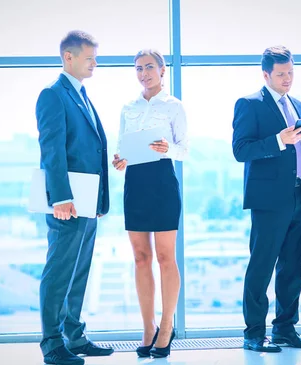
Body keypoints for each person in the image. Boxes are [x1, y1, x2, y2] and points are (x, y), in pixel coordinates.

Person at [232, 45, 301, 353]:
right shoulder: (249, 104)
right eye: (281, 74)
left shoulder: (299, 105)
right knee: (262, 265)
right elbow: (240, 150)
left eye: (291, 72)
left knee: (292, 267)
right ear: (266, 74)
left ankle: (284, 329)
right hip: (268, 199)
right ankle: (254, 333)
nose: (287, 79)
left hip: (299, 196)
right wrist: (278, 141)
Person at [36, 30, 113, 365]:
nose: (95, 63)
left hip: (86, 201)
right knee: (59, 271)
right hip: (67, 203)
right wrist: (61, 198)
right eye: (89, 58)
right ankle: (52, 344)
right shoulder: (53, 95)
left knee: (79, 271)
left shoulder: (80, 95)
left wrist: (97, 202)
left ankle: (74, 336)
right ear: (69, 57)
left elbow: (89, 148)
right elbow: (52, 151)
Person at [112, 49, 188, 358]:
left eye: (149, 67)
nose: (144, 73)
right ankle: (148, 327)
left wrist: (169, 147)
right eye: (139, 68)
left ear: (162, 70)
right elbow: (120, 147)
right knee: (141, 257)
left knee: (165, 258)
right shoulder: (128, 107)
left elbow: (185, 149)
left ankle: (167, 327)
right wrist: (118, 160)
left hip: (162, 181)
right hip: (135, 182)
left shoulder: (174, 106)